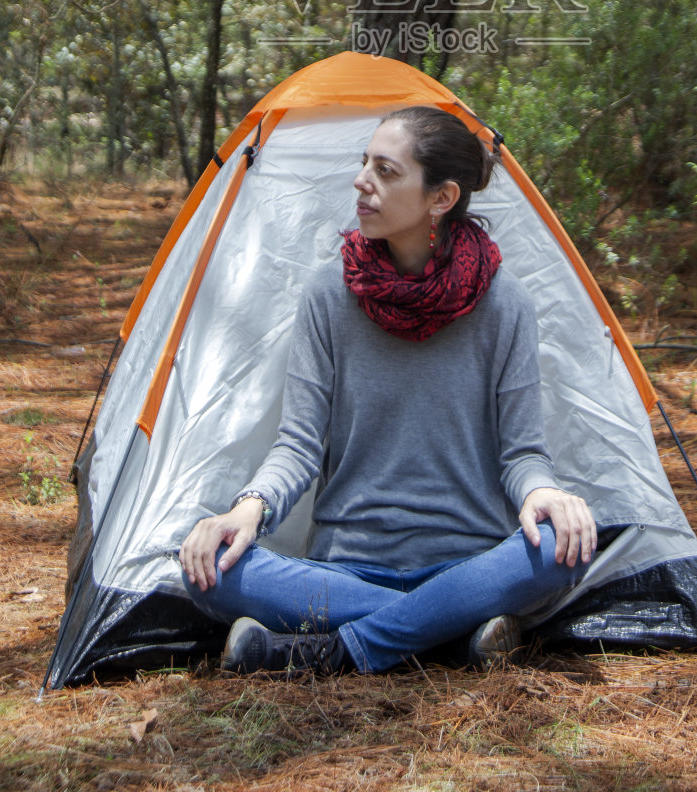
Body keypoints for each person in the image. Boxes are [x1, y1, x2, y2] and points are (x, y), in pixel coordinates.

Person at [179, 104, 597, 675]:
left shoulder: (506, 304)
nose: (361, 181)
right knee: (211, 569)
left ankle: (337, 649)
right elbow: (298, 444)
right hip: (345, 568)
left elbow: (522, 453)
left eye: (386, 170)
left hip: (467, 561)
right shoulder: (330, 294)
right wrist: (248, 510)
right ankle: (447, 634)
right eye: (364, 164)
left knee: (560, 550)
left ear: (441, 198)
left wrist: (542, 494)